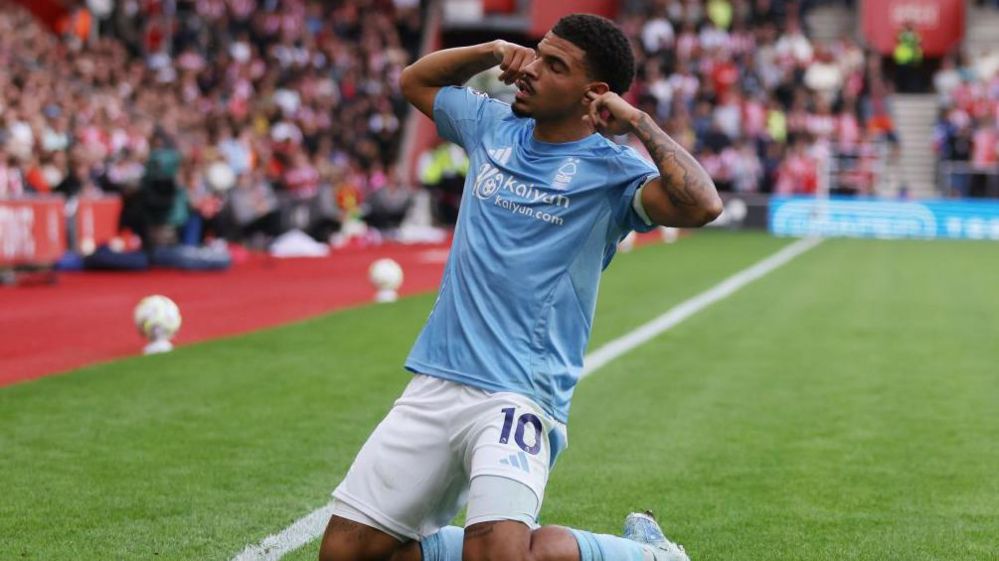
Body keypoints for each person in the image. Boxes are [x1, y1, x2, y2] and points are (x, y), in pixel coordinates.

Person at [319, 13, 721, 561]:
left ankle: (651, 555)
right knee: (345, 555)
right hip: (438, 378)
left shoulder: (612, 170)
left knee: (502, 557)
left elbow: (702, 204)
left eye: (554, 66)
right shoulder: (491, 124)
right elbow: (415, 80)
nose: (531, 69)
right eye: (537, 53)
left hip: (520, 392)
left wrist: (639, 123)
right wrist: (488, 50)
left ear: (594, 94)